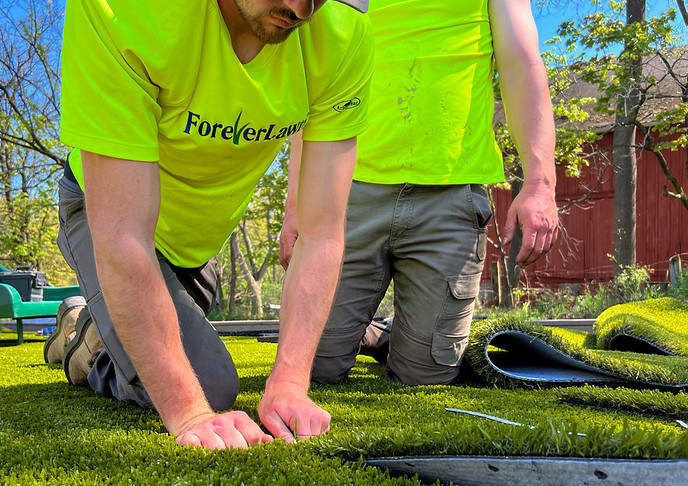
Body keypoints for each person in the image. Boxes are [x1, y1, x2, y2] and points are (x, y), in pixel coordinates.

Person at [45, 0, 375, 450]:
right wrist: (192, 413)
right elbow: (122, 235)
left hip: (197, 247)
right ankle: (84, 340)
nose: (301, 8)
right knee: (209, 384)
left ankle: (108, 324)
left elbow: (322, 232)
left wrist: (291, 383)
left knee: (176, 344)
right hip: (103, 215)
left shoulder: (345, 32)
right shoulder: (121, 10)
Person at [281, 0, 558, 385]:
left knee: (426, 379)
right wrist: (296, 206)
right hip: (344, 193)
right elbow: (317, 87)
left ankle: (397, 335)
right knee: (312, 369)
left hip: (449, 195)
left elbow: (522, 63)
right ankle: (375, 333)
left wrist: (540, 183)